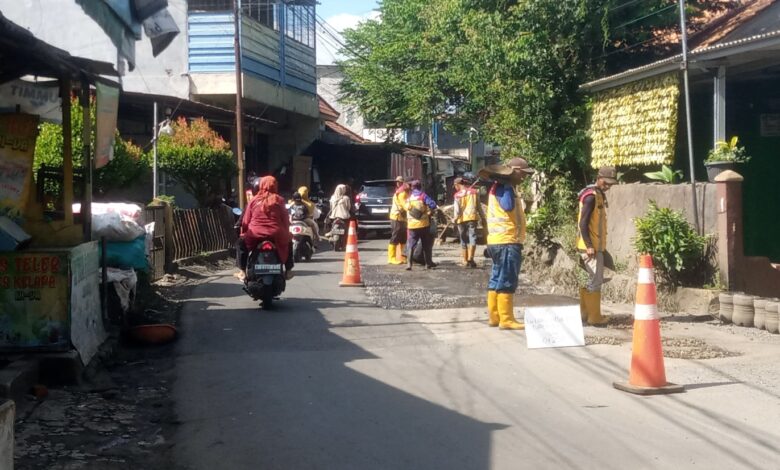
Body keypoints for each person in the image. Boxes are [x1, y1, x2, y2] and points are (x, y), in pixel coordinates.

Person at [480, 158, 534, 330]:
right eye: (523, 174)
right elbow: (508, 206)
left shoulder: (496, 187)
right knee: (507, 279)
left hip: (496, 241)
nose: (524, 177)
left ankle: (494, 317)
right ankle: (506, 319)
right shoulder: (505, 188)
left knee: (496, 278)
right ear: (514, 171)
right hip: (507, 241)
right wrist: (510, 189)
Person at [576, 166, 617, 326]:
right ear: (599, 178)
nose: (607, 186)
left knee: (592, 279)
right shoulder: (591, 197)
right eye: (606, 183)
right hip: (590, 247)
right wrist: (589, 245)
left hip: (594, 245)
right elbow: (583, 223)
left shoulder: (598, 195)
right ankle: (594, 317)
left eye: (610, 185)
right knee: (596, 280)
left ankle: (585, 314)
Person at [241, 176, 294, 280]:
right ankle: (288, 270)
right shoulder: (280, 200)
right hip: (276, 233)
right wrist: (286, 233)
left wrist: (244, 233)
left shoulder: (254, 200)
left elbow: (246, 221)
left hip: (255, 234)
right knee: (289, 242)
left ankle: (242, 271)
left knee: (240, 244)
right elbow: (285, 220)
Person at [404, 180, 438, 270]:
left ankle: (409, 264)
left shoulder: (409, 199)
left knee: (411, 245)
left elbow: (405, 208)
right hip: (423, 225)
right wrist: (429, 211)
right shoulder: (423, 196)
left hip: (412, 226)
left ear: (412, 188)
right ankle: (428, 264)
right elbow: (433, 204)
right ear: (420, 187)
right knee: (425, 245)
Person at [453, 173, 484, 268]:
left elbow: (457, 209)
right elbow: (479, 206)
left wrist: (455, 218)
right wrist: (483, 217)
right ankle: (471, 258)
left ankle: (465, 260)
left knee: (463, 239)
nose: (455, 188)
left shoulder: (457, 195)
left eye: (455, 186)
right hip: (472, 218)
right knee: (472, 237)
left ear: (457, 185)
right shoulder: (474, 192)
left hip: (461, 220)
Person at [388, 176, 409, 265]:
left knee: (403, 237)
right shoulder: (401, 193)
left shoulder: (402, 191)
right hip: (396, 217)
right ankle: (391, 258)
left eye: (400, 182)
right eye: (397, 181)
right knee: (395, 236)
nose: (398, 183)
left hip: (402, 218)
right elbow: (404, 205)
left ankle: (402, 257)